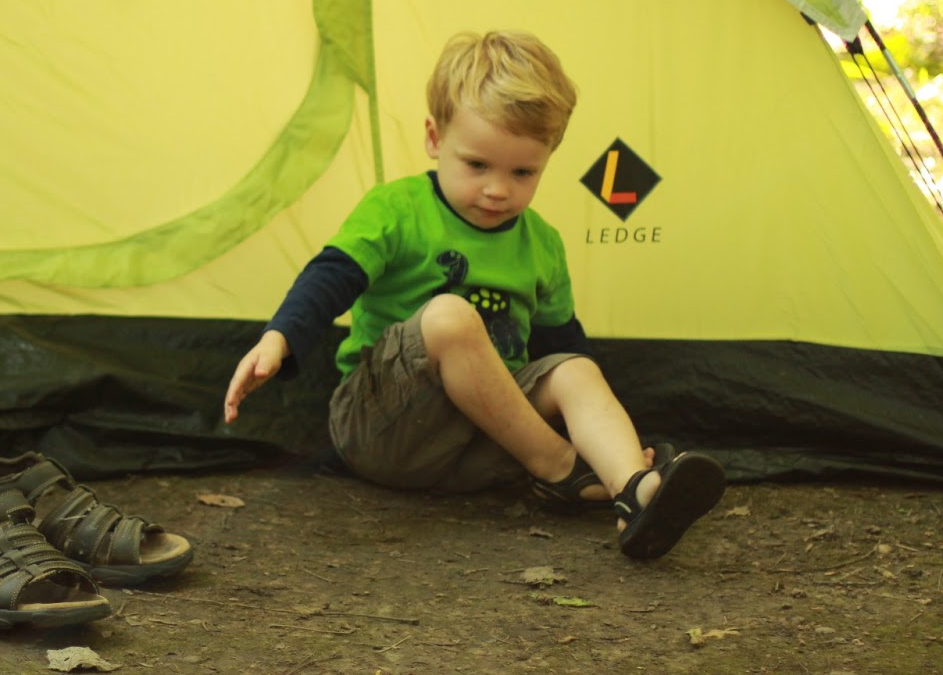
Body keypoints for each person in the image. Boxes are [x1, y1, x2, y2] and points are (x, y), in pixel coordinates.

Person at [223, 30, 724, 560]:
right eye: (478, 165)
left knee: (574, 367)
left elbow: (562, 346)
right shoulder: (398, 208)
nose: (498, 190)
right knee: (450, 317)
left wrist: (609, 431)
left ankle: (636, 490)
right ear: (435, 139)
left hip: (483, 440)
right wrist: (280, 337)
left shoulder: (542, 244)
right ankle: (561, 468)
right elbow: (333, 274)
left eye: (523, 172)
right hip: (385, 430)